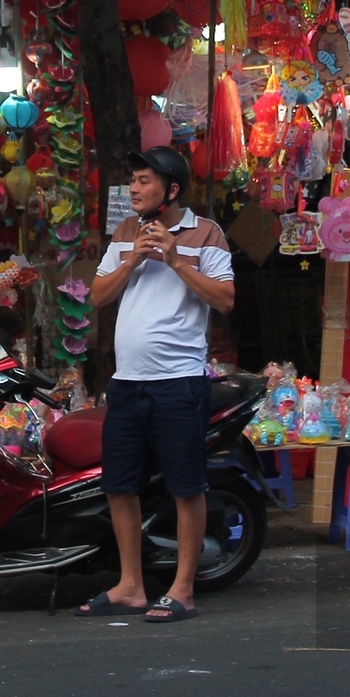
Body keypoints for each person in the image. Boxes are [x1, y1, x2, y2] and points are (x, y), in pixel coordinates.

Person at [77, 146, 234, 623]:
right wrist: (132, 262)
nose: (134, 189)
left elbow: (224, 299)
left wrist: (175, 260)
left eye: (144, 181)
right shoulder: (125, 232)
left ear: (171, 190)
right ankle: (130, 586)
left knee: (186, 487)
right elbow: (98, 297)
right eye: (133, 181)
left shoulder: (208, 233)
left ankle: (182, 589)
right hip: (127, 384)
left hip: (180, 382)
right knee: (119, 486)